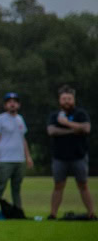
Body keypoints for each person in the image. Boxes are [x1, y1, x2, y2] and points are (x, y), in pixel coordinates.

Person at [46, 85, 94, 219]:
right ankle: (53, 214)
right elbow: (51, 131)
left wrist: (66, 123)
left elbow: (86, 129)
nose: (66, 101)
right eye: (63, 98)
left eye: (69, 98)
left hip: (79, 156)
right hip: (59, 157)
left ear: (74, 99)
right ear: (59, 100)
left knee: (83, 184)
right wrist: (74, 130)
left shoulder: (80, 114)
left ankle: (91, 214)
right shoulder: (54, 115)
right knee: (58, 185)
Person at [0, 92, 34, 209]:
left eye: (15, 102)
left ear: (18, 105)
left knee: (16, 187)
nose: (12, 104)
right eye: (9, 102)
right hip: (5, 159)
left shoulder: (20, 119)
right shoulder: (0, 119)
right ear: (5, 105)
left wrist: (28, 156)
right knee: (1, 185)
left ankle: (18, 210)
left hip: (19, 159)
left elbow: (23, 139)